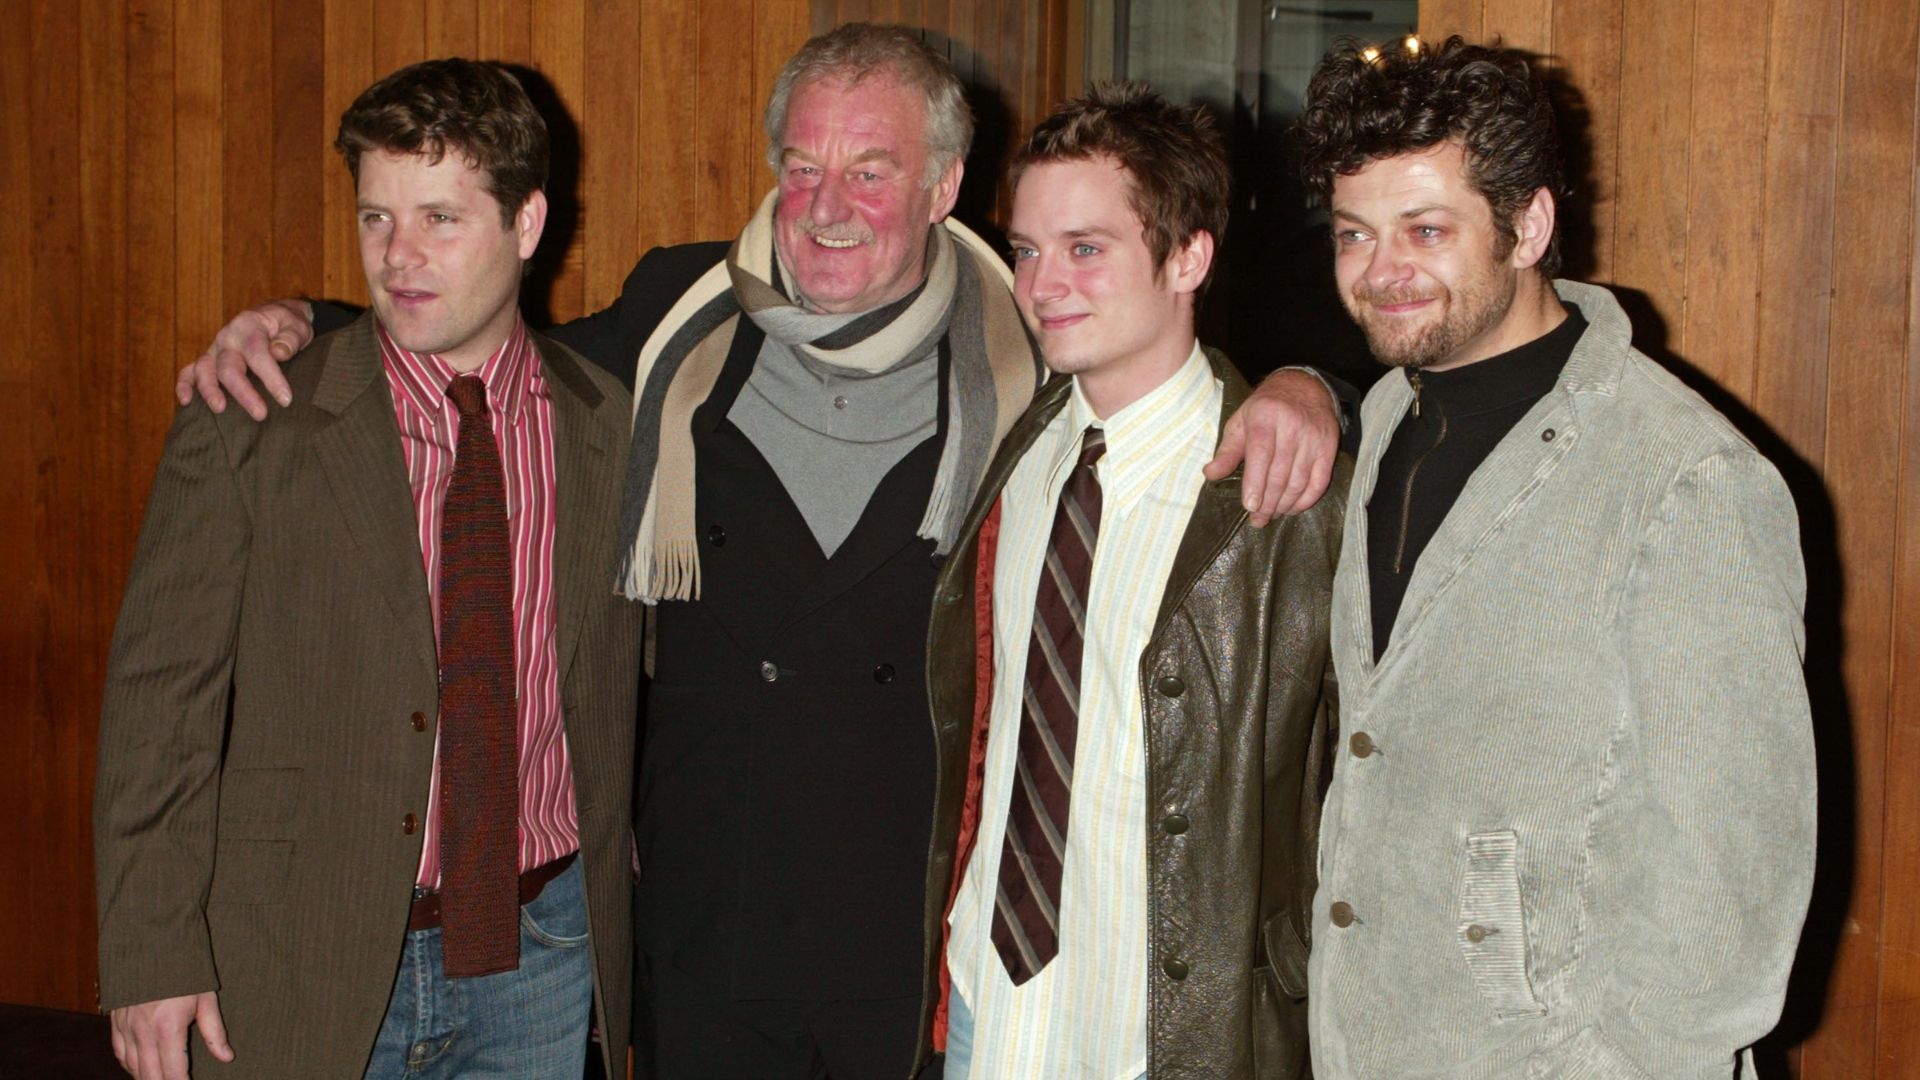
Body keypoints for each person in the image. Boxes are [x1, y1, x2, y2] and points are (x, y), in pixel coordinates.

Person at [170, 24, 1346, 1076]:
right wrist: (301, 320)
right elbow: (498, 349)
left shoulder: (1031, 355)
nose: (826, 205)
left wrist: (1313, 383)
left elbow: (1187, 371)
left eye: (871, 171)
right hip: (704, 909)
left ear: (943, 187)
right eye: (802, 167)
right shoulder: (681, 312)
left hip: (910, 924)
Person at [93, 59, 642, 1080]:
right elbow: (157, 705)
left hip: (541, 951)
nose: (399, 258)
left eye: (440, 218)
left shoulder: (611, 427)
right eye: (377, 218)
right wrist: (152, 953)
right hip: (297, 952)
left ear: (526, 224)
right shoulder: (252, 421)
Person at [1294, 36, 1816, 1078]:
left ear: (1529, 224)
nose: (1381, 271)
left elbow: (1725, 904)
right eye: (1356, 234)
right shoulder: (1395, 412)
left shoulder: (1689, 480)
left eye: (1427, 230)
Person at [912, 82, 1344, 1080]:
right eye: (1025, 249)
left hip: (1167, 1026)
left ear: (1189, 256)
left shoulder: (1285, 499)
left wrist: (1319, 388)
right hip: (993, 995)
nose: (1042, 283)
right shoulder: (1022, 454)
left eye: (1086, 247)